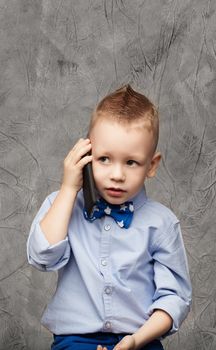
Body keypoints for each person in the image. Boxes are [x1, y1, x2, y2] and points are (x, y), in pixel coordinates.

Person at [27, 85, 192, 350]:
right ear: (86, 156)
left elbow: (174, 298)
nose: (117, 174)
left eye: (131, 162)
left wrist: (136, 340)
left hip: (141, 340)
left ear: (151, 166)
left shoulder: (161, 223)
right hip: (75, 340)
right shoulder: (61, 205)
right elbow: (42, 256)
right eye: (104, 159)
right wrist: (69, 189)